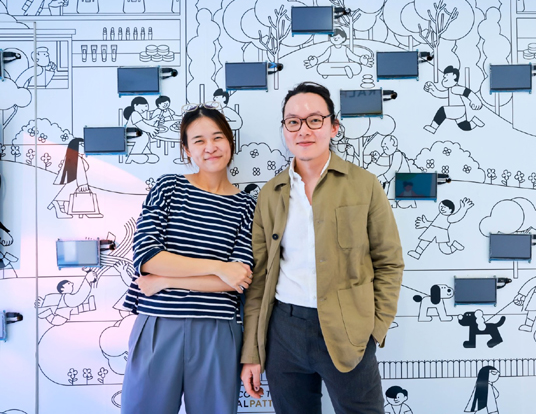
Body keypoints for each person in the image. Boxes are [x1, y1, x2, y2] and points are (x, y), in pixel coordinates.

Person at [240, 82, 404, 414]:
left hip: (349, 329)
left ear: (333, 127)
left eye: (315, 120)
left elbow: (389, 261)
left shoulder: (364, 184)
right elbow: (260, 279)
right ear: (284, 129)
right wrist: (253, 352)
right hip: (284, 331)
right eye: (293, 122)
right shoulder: (270, 194)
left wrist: (375, 327)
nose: (303, 130)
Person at [120, 103, 256, 413]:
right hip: (159, 324)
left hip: (218, 329)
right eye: (199, 140)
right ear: (186, 149)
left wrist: (166, 280)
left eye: (218, 137)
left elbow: (237, 280)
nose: (210, 147)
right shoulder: (169, 187)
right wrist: (218, 267)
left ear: (230, 141)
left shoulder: (247, 207)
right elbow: (148, 257)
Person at [49, 137, 103, 219]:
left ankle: (58, 204)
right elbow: (80, 172)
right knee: (72, 191)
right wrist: (83, 184)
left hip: (74, 181)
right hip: (77, 182)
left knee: (69, 190)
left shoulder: (74, 157)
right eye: (82, 145)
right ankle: (59, 205)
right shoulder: (77, 159)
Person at [423, 66, 484, 134]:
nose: (444, 77)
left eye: (446, 75)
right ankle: (475, 122)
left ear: (454, 76)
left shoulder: (455, 88)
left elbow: (467, 92)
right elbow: (440, 94)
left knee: (442, 111)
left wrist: (476, 101)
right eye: (444, 76)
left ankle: (433, 127)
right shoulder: (451, 89)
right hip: (458, 109)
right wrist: (431, 89)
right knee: (464, 125)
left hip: (457, 109)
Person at [407, 198, 473, 259]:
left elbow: (457, 217)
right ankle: (417, 253)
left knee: (445, 249)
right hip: (432, 229)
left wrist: (463, 209)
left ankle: (454, 246)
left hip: (441, 232)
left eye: (444, 207)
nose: (442, 208)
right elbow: (435, 223)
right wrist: (425, 223)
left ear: (450, 210)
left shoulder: (449, 218)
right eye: (441, 206)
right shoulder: (440, 215)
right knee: (424, 241)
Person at [304, 28, 374, 78]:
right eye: (333, 38)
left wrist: (361, 60)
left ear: (343, 38)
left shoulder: (345, 49)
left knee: (357, 67)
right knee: (320, 67)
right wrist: (316, 61)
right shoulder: (330, 49)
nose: (335, 39)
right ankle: (327, 71)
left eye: (338, 37)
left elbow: (353, 57)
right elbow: (323, 57)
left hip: (345, 65)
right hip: (332, 65)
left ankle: (330, 71)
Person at [123, 97, 160, 164]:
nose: (146, 109)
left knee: (143, 138)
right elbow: (141, 125)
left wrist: (155, 119)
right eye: (145, 106)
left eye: (147, 106)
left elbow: (146, 123)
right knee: (144, 136)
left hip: (136, 135)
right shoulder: (134, 114)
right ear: (135, 105)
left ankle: (144, 155)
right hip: (130, 135)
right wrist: (151, 129)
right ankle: (132, 156)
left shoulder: (138, 115)